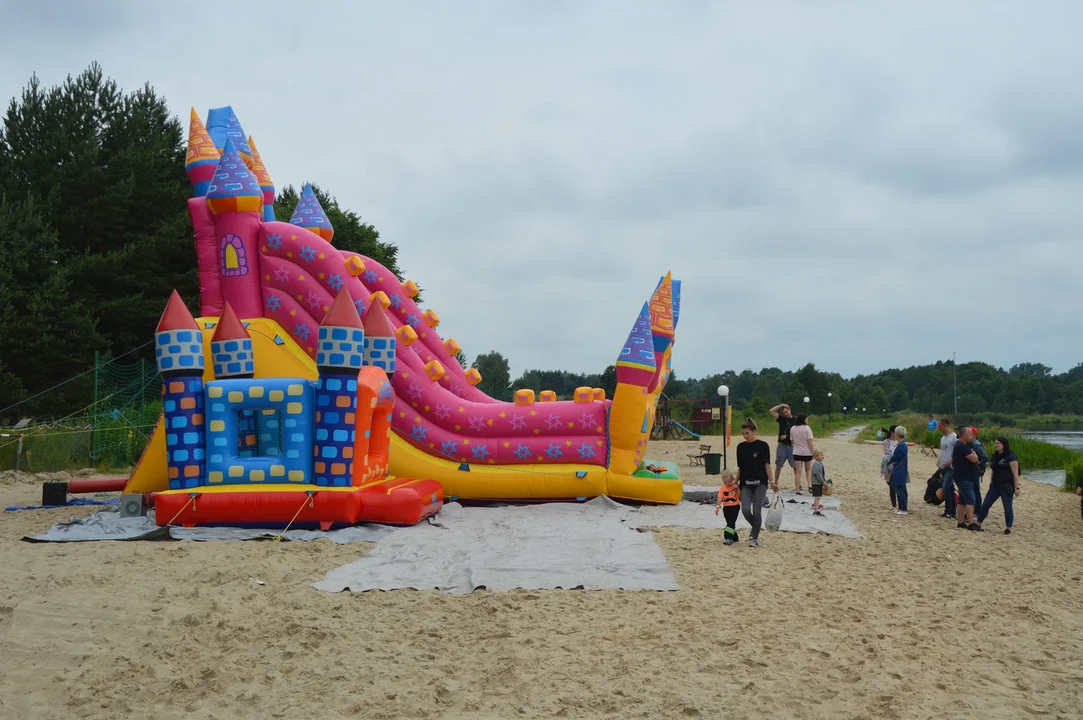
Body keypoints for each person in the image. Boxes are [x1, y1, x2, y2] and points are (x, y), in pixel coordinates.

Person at [735, 417, 775, 548]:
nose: (745, 436)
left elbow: (767, 465)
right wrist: (735, 481)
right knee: (746, 509)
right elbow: (740, 467)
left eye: (747, 433)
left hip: (760, 483)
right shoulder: (740, 447)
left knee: (757, 511)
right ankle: (756, 527)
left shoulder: (763, 446)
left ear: (753, 431)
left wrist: (772, 481)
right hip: (745, 483)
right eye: (743, 433)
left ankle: (754, 537)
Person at [975, 437, 1020, 534]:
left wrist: (1017, 488)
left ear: (1004, 444)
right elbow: (993, 470)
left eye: (998, 443)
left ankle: (1008, 527)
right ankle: (978, 523)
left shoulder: (1011, 456)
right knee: (986, 504)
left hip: (1006, 485)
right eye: (995, 443)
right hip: (995, 485)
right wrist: (991, 482)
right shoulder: (995, 456)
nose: (996, 445)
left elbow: (1015, 474)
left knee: (1007, 507)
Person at [952, 427, 982, 530]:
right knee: (971, 500)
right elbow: (974, 459)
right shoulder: (961, 446)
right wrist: (975, 457)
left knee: (962, 500)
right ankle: (971, 523)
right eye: (969, 434)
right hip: (964, 477)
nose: (971, 436)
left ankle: (960, 522)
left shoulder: (961, 446)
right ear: (964, 435)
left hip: (963, 476)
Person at [769, 403, 799, 492]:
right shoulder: (781, 419)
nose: (786, 414)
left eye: (787, 411)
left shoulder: (796, 420)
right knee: (779, 465)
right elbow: (771, 411)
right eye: (784, 412)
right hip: (782, 445)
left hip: (792, 446)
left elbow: (798, 432)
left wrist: (788, 436)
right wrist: (781, 405)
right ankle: (776, 483)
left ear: (790, 410)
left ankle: (798, 485)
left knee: (795, 466)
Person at [937, 419, 958, 520]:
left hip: (951, 467)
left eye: (940, 426)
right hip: (943, 467)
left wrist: (952, 460)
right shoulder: (943, 438)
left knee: (946, 487)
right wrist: (939, 460)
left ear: (945, 425)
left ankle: (949, 511)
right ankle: (951, 511)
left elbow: (957, 451)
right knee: (949, 488)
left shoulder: (954, 437)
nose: (938, 428)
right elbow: (943, 451)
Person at [714, 470, 741, 545]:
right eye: (725, 482)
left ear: (733, 479)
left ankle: (728, 537)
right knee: (729, 522)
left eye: (729, 481)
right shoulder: (722, 488)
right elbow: (719, 498)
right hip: (726, 508)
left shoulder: (735, 486)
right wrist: (717, 507)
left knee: (731, 522)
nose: (727, 484)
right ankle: (735, 537)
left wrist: (737, 488)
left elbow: (739, 496)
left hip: (735, 506)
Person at [790, 414, 815, 492]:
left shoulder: (793, 428)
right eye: (806, 419)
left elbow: (792, 441)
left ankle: (797, 488)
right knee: (808, 470)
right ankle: (810, 486)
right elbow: (809, 441)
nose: (807, 421)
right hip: (807, 452)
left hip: (797, 452)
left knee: (798, 471)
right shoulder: (807, 428)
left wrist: (794, 449)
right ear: (803, 420)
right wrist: (813, 452)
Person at [889, 426, 910, 514]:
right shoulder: (901, 445)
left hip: (899, 469)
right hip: (898, 469)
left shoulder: (902, 446)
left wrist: (887, 460)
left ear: (896, 434)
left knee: (899, 489)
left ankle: (903, 509)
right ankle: (901, 508)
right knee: (899, 489)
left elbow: (895, 457)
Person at [970, 428, 989, 509]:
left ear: (973, 435)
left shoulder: (976, 445)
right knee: (974, 490)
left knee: (975, 490)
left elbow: (985, 457)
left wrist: (979, 465)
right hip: (974, 471)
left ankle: (977, 510)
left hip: (975, 471)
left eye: (969, 433)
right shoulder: (973, 444)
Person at [881, 425, 899, 509]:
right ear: (892, 432)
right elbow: (887, 452)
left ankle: (900, 504)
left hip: (899, 465)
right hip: (889, 465)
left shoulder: (900, 441)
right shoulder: (886, 441)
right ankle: (894, 505)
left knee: (898, 485)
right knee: (891, 485)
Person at [811, 449, 827, 515]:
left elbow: (822, 474)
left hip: (819, 483)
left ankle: (816, 509)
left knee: (818, 497)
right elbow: (817, 474)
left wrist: (824, 481)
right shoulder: (816, 464)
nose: (822, 456)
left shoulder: (820, 464)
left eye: (823, 455)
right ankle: (816, 510)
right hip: (816, 483)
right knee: (817, 497)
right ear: (816, 456)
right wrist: (823, 482)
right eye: (821, 455)